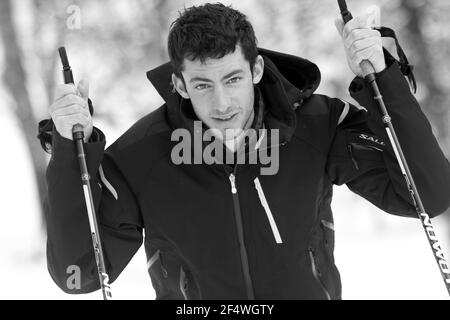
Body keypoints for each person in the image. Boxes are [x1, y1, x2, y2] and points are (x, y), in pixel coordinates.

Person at [40, 3, 450, 300]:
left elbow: (427, 195)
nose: (222, 103)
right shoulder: (143, 155)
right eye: (202, 84)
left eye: (233, 78)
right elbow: (80, 274)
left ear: (255, 70)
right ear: (179, 85)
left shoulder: (315, 125)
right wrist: (67, 153)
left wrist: (385, 81)